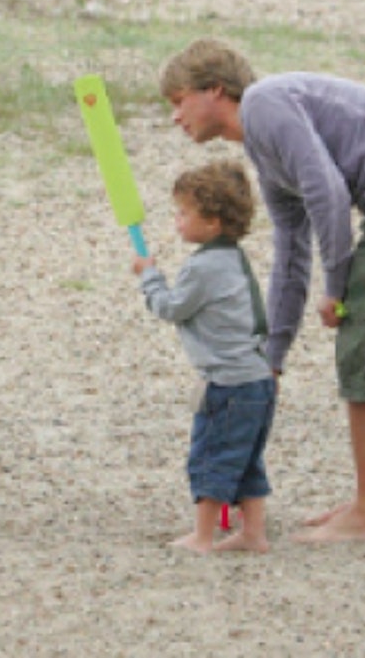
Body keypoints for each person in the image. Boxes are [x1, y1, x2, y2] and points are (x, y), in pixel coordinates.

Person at [160, 38, 365, 544]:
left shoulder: (264, 103)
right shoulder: (266, 154)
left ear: (214, 90)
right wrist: (272, 355)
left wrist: (336, 289)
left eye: (178, 101)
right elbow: (291, 252)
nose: (175, 116)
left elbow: (328, 192)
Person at [134, 161, 277, 554]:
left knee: (211, 456)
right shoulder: (233, 259)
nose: (177, 220)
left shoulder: (204, 266)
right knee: (247, 460)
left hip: (229, 384)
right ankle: (253, 533)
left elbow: (170, 308)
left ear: (213, 222)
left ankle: (202, 535)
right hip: (259, 380)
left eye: (184, 213)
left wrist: (149, 276)